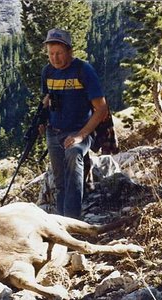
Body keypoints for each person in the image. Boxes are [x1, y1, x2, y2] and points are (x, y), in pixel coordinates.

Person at [40, 28, 108, 219]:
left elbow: (101, 108)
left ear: (69, 51)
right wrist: (43, 120)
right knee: (60, 180)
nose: (55, 58)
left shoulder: (83, 70)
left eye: (59, 53)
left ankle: (73, 222)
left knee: (73, 156)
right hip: (54, 132)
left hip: (79, 130)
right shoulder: (47, 72)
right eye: (51, 54)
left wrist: (81, 135)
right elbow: (48, 99)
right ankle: (62, 222)